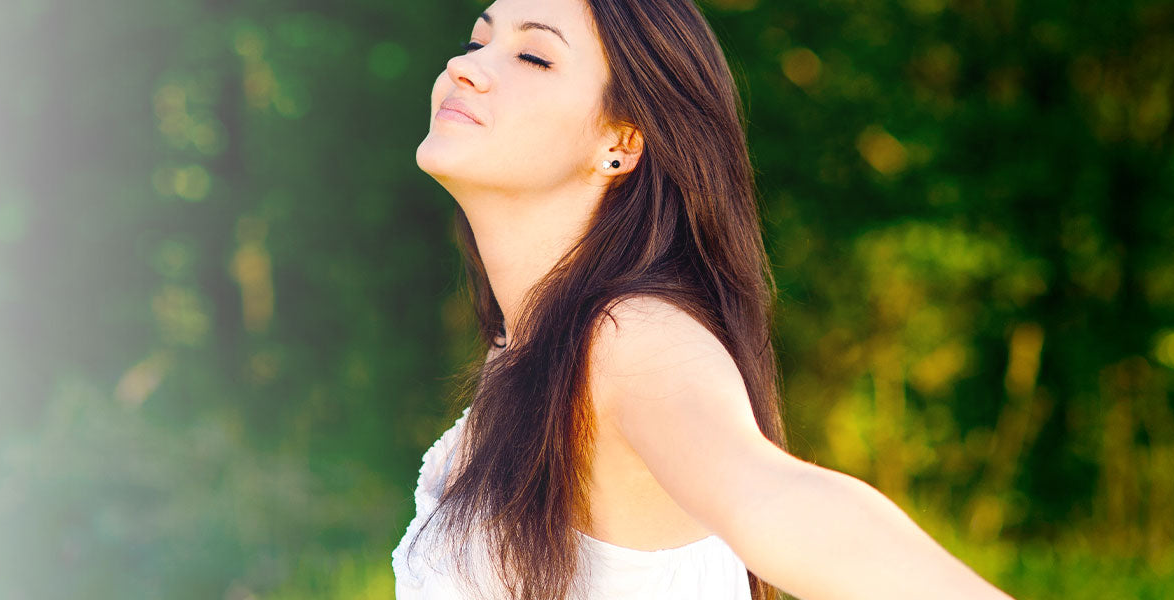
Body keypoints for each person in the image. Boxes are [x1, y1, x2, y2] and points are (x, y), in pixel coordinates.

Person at [388, 0, 1015, 598]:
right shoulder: (526, 343)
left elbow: (773, 497)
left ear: (621, 142)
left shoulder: (625, 338)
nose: (463, 66)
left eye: (533, 57)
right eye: (478, 40)